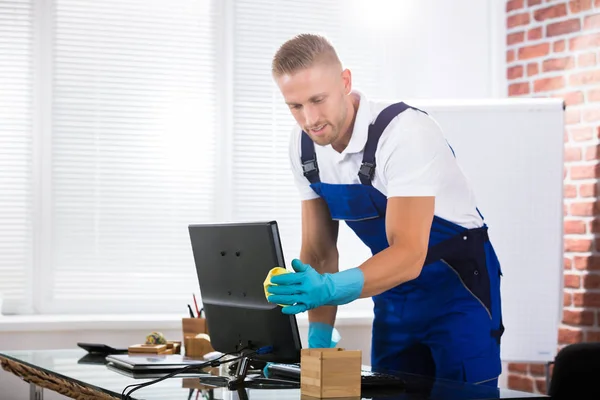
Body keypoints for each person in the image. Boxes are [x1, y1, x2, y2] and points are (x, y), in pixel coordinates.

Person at [264, 33, 504, 387]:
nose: (310, 119)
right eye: (295, 106)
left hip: (458, 292)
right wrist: (318, 340)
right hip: (393, 294)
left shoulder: (404, 133)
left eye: (318, 100)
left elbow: (408, 253)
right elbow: (318, 251)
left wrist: (329, 288)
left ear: (345, 82)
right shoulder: (304, 148)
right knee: (390, 392)